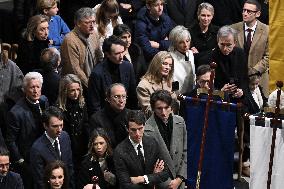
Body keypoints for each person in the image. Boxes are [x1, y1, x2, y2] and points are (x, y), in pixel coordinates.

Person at [6, 72, 49, 189]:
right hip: (28, 159)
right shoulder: (15, 113)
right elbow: (10, 140)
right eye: (32, 87)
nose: (35, 91)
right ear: (25, 90)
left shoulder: (44, 101)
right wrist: (20, 161)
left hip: (44, 154)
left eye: (38, 87)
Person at [113, 110, 170, 188]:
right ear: (127, 128)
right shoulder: (119, 151)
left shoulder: (152, 142)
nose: (137, 134)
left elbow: (166, 173)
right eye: (133, 130)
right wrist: (153, 177)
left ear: (145, 125)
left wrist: (142, 179)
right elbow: (125, 185)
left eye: (140, 129)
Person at [145, 90, 187, 189]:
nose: (163, 112)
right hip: (162, 183)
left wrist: (180, 178)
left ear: (171, 107)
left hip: (180, 180)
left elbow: (185, 152)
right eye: (159, 108)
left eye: (166, 108)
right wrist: (167, 183)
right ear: (153, 108)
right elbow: (150, 162)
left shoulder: (180, 122)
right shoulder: (147, 129)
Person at [88, 35, 137, 116]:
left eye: (123, 52)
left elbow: (133, 97)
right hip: (105, 117)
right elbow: (95, 106)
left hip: (126, 115)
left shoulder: (128, 67)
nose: (121, 56)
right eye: (117, 53)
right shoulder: (97, 74)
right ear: (107, 54)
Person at [199, 26, 248, 101]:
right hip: (217, 101)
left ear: (235, 43)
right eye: (222, 44)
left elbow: (245, 78)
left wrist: (242, 91)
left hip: (240, 99)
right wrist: (221, 92)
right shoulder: (207, 59)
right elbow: (202, 90)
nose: (225, 49)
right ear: (217, 41)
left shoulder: (240, 53)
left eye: (228, 45)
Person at [231, 0, 269, 97]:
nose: (245, 13)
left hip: (259, 79)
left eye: (249, 11)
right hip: (238, 79)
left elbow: (269, 56)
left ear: (258, 14)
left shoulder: (267, 30)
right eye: (244, 10)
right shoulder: (233, 29)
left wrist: (254, 70)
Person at [30, 106, 74, 189]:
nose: (59, 129)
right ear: (45, 126)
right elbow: (40, 181)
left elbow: (70, 167)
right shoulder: (37, 149)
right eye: (55, 126)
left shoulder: (65, 137)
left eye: (61, 125)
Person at [61, 7, 103, 88]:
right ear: (78, 23)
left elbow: (99, 57)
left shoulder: (94, 34)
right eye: (87, 22)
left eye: (93, 22)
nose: (92, 26)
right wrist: (91, 86)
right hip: (76, 86)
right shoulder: (70, 40)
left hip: (94, 80)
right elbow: (75, 69)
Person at [57, 74, 89, 172]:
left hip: (82, 146)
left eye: (78, 90)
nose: (76, 93)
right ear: (65, 91)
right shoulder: (59, 108)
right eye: (72, 90)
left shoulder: (82, 104)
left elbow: (85, 124)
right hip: (67, 148)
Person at [137, 51, 177, 117]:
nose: (168, 68)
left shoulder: (171, 81)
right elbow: (148, 110)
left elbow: (176, 102)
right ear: (156, 64)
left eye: (170, 65)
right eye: (165, 64)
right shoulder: (143, 85)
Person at [89, 83, 130, 148]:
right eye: (116, 97)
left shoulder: (132, 116)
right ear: (108, 99)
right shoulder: (96, 119)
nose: (121, 100)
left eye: (124, 96)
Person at [169, 25, 195, 94]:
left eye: (187, 41)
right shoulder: (170, 57)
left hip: (191, 94)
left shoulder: (190, 53)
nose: (186, 45)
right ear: (174, 43)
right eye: (181, 42)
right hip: (178, 95)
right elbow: (173, 80)